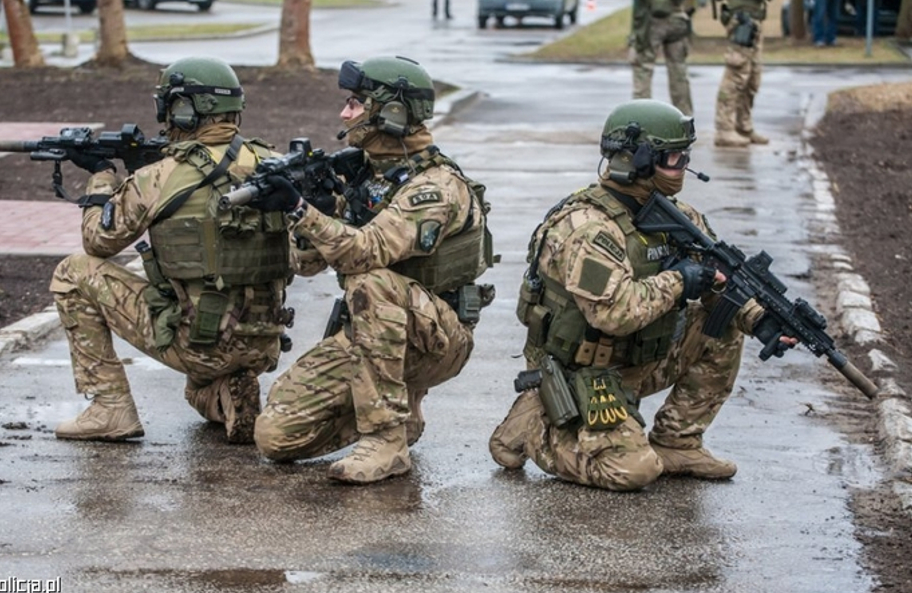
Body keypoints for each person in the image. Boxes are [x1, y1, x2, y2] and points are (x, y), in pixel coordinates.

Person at [489, 99, 793, 491]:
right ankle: (535, 428)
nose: (683, 167)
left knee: (721, 327)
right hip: (583, 372)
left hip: (641, 357)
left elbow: (719, 281)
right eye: (673, 158)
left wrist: (759, 319)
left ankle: (678, 442)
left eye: (686, 157)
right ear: (639, 161)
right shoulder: (587, 228)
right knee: (633, 471)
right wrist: (681, 281)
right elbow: (613, 314)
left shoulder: (678, 219)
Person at [252, 56, 495, 484]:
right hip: (377, 336)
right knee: (276, 435)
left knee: (372, 281)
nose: (345, 113)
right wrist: (320, 209)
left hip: (439, 339)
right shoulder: (366, 174)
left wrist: (299, 208)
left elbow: (367, 252)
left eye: (355, 103)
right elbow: (307, 265)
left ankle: (386, 439)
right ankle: (400, 413)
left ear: (393, 112)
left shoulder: (434, 186)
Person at [51, 56, 293, 445]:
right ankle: (227, 393)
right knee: (196, 392)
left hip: (199, 345)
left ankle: (109, 408)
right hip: (263, 344)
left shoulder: (156, 178)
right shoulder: (275, 165)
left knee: (73, 272)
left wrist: (100, 179)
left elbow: (97, 241)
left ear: (182, 109)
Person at [714, 0, 770, 147]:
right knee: (736, 75)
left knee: (752, 78)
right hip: (742, 19)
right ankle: (724, 129)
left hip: (753, 19)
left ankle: (743, 126)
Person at [629, 0, 695, 117]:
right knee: (678, 71)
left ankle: (641, 118)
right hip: (677, 17)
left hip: (650, 20)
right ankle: (684, 118)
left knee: (643, 69)